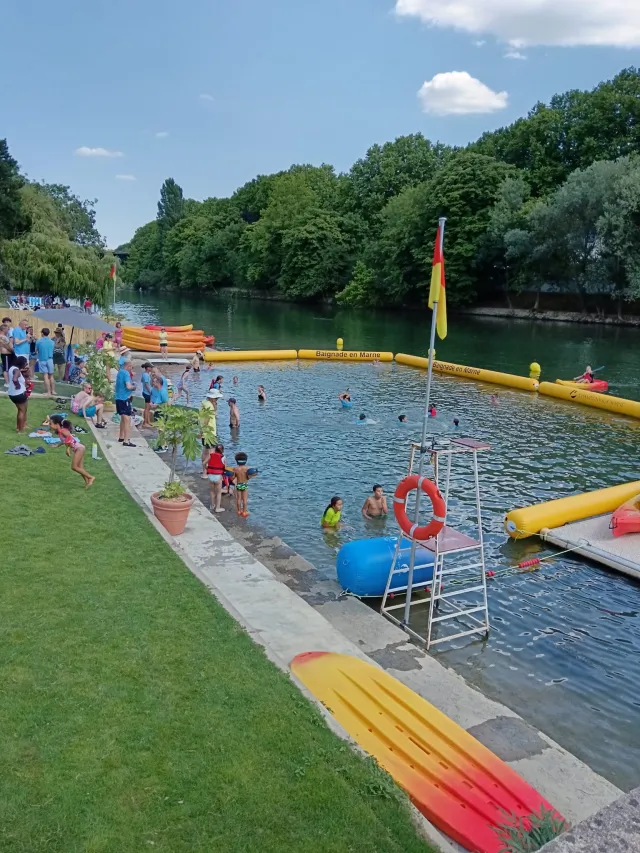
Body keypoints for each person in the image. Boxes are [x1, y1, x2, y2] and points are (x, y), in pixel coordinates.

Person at [49, 416, 95, 488]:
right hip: (78, 449)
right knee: (80, 467)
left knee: (74, 467)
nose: (49, 425)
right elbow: (64, 441)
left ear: (57, 424)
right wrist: (57, 445)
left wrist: (68, 448)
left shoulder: (63, 430)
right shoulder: (60, 432)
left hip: (79, 448)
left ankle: (91, 477)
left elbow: (69, 437)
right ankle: (87, 483)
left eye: (50, 423)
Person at [115, 357, 136, 447]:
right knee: (127, 419)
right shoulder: (126, 373)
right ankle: (126, 440)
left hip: (118, 398)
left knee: (123, 418)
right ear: (128, 366)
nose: (131, 369)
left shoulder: (120, 372)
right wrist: (134, 387)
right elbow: (128, 386)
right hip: (124, 398)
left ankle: (121, 436)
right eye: (131, 367)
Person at [199, 389, 221, 476]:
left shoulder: (204, 402)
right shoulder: (209, 406)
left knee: (205, 451)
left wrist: (201, 431)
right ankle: (205, 467)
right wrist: (203, 431)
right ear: (212, 398)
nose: (217, 400)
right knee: (211, 453)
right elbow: (207, 420)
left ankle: (204, 472)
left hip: (204, 432)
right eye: (216, 398)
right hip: (210, 432)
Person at [7, 356, 29, 432]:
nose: (26, 365)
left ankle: (18, 427)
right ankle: (21, 430)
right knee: (22, 411)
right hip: (19, 394)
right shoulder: (16, 370)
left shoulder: (12, 368)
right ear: (21, 363)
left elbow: (16, 373)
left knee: (20, 410)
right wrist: (18, 385)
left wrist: (22, 370)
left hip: (12, 394)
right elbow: (15, 379)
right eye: (25, 363)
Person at [232, 451, 256, 517]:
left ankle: (239, 511)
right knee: (245, 499)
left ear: (236, 461)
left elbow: (233, 477)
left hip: (238, 485)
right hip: (244, 484)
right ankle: (244, 511)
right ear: (245, 461)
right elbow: (248, 477)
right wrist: (252, 475)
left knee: (238, 499)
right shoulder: (247, 469)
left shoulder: (235, 469)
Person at [206, 443, 226, 513]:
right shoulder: (223, 457)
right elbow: (225, 467)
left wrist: (207, 469)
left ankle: (212, 506)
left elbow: (204, 463)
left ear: (215, 450)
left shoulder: (210, 455)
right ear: (222, 450)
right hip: (218, 476)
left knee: (212, 491)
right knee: (218, 493)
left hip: (210, 476)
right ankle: (217, 508)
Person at [36, 327, 55, 396]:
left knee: (45, 375)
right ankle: (53, 391)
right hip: (50, 359)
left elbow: (36, 351)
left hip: (42, 359)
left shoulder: (39, 341)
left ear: (42, 333)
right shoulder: (52, 342)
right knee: (51, 375)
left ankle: (48, 392)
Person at [140, 362, 153, 426]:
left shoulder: (146, 374)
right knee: (147, 409)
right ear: (147, 368)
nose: (151, 368)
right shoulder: (145, 375)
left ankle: (148, 421)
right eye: (150, 367)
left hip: (146, 392)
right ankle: (145, 422)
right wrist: (150, 392)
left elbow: (141, 381)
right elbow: (146, 384)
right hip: (147, 393)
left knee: (148, 408)